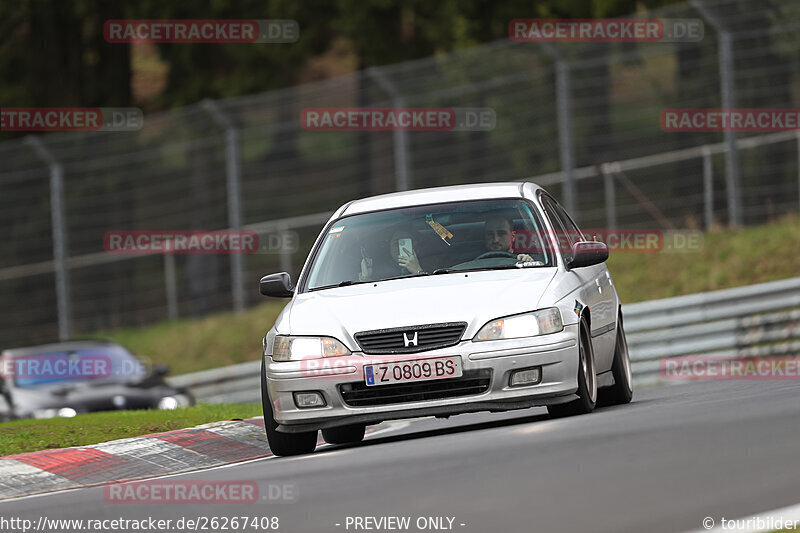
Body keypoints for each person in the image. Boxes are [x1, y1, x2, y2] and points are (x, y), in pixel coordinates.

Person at [359, 227, 425, 281]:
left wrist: (418, 271)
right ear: (389, 246)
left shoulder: (430, 264)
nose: (400, 248)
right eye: (396, 243)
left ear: (415, 244)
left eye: (406, 243)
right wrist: (365, 277)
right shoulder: (379, 271)